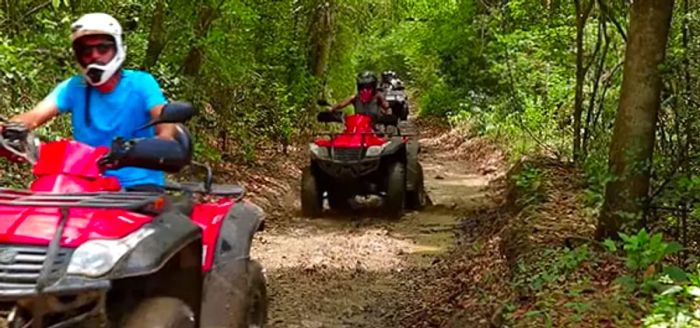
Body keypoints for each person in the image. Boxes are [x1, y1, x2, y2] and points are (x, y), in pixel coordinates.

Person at [2, 12, 185, 192]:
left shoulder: (142, 83)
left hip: (138, 187)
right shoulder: (74, 87)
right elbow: (33, 116)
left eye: (103, 48)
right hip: (85, 185)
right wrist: (10, 129)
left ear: (117, 48)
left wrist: (159, 143)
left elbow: (164, 121)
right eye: (86, 51)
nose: (94, 56)